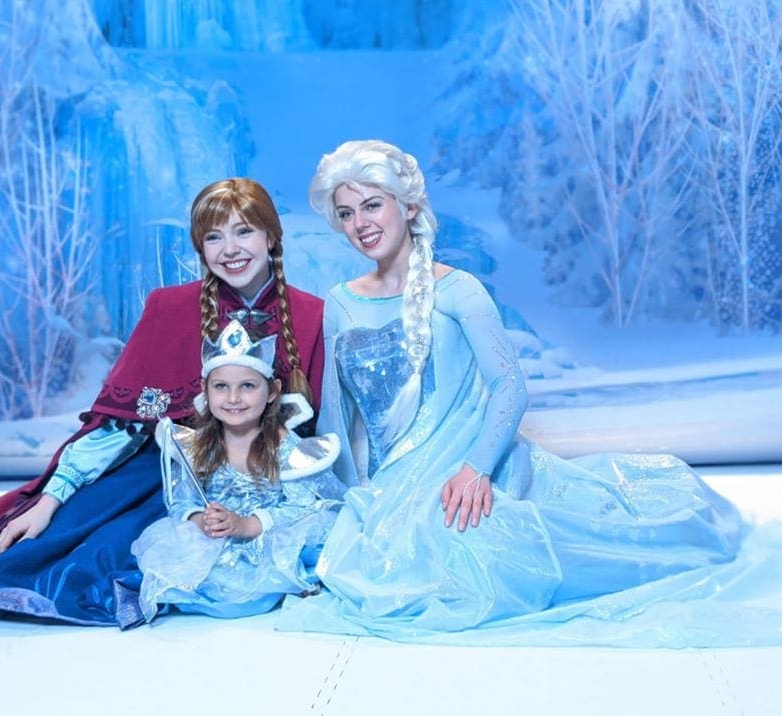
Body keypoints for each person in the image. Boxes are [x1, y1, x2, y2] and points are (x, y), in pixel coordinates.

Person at [280, 140, 743, 635]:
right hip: (392, 481)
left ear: (408, 205)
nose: (360, 224)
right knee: (369, 563)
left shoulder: (458, 289)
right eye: (347, 213)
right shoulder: (341, 302)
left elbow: (509, 386)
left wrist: (476, 470)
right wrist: (348, 500)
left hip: (465, 463)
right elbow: (336, 413)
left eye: (372, 205)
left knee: (474, 556)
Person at [0, 178, 326, 628]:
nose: (230, 248)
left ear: (271, 236)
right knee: (61, 561)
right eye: (214, 236)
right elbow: (122, 426)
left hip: (264, 484)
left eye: (244, 231)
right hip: (168, 476)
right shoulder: (169, 308)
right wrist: (51, 499)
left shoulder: (311, 314)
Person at [131, 321, 344, 623]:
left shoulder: (283, 446)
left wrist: (247, 525)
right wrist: (199, 519)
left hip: (266, 537)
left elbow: (304, 508)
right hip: (216, 542)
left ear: (272, 391)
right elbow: (181, 500)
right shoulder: (198, 446)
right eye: (221, 387)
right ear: (205, 391)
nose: (233, 398)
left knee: (306, 546)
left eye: (247, 386)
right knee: (185, 566)